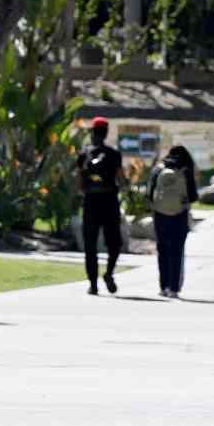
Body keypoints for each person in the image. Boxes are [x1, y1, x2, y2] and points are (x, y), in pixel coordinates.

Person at [78, 117, 125, 295]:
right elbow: (121, 180)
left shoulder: (84, 154)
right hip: (109, 202)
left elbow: (80, 183)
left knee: (90, 246)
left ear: (92, 133)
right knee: (114, 244)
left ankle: (93, 284)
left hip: (91, 202)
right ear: (106, 133)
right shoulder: (114, 154)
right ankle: (109, 273)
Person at [147, 145, 198, 298]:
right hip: (179, 215)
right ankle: (174, 288)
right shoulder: (185, 171)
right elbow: (193, 196)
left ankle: (163, 286)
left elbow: (149, 194)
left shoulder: (158, 169)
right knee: (177, 250)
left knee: (162, 250)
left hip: (160, 214)